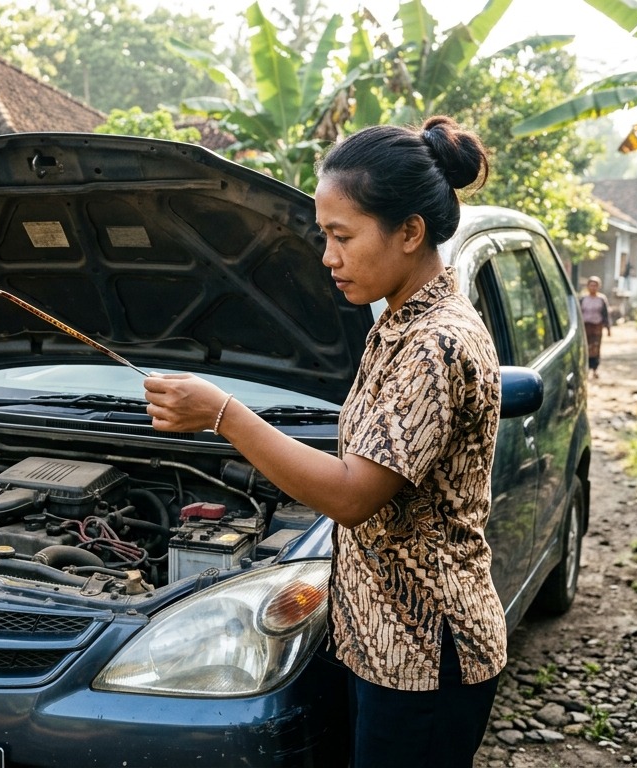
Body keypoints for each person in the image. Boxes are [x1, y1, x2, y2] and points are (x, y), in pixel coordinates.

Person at [143, 116, 504, 767]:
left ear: (410, 231)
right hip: (381, 638)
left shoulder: (435, 343)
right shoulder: (399, 318)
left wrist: (225, 413)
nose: (327, 257)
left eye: (342, 237)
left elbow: (352, 494)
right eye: (324, 236)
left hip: (426, 654)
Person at [580, 276, 611, 378]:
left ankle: (595, 369)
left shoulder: (601, 299)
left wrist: (608, 328)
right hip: (586, 326)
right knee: (586, 348)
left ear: (598, 287)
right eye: (591, 285)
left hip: (597, 326)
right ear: (588, 286)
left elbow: (605, 314)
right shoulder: (583, 299)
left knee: (596, 348)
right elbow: (579, 313)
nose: (593, 288)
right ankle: (586, 369)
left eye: (595, 286)